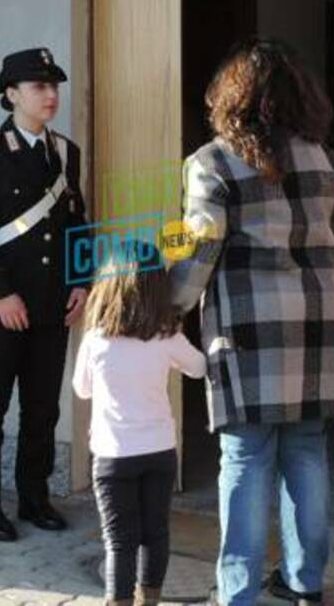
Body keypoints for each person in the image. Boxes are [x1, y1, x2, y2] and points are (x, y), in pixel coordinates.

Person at [169, 38, 334, 606]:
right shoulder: (328, 160)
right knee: (307, 452)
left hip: (248, 329)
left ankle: (239, 593)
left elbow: (200, 248)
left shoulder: (213, 161)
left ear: (232, 98)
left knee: (245, 457)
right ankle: (305, 584)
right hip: (323, 326)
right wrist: (319, 289)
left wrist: (168, 308)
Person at [0, 47, 90, 542]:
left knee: (42, 407)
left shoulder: (65, 153)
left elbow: (77, 222)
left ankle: (34, 497)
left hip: (52, 302)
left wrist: (81, 281)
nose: (50, 95)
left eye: (54, 86)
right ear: (11, 95)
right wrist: (2, 294)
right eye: (38, 87)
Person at [73, 245, 206, 606]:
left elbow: (81, 390)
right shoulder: (166, 337)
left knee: (119, 540)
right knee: (156, 533)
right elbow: (198, 367)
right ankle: (151, 599)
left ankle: (118, 601)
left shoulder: (96, 340)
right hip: (160, 451)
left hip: (113, 456)